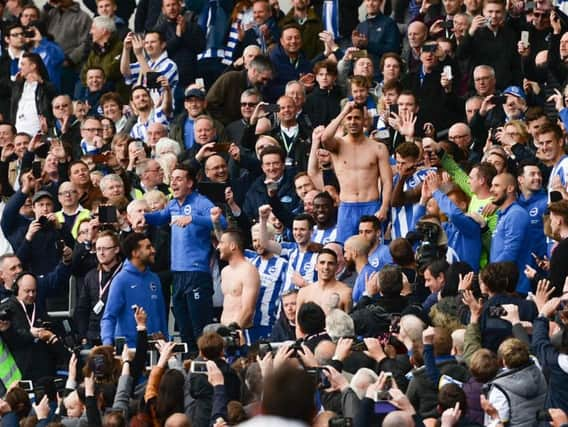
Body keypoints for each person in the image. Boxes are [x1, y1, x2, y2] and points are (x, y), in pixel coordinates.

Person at [144, 164, 227, 351]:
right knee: (184, 329)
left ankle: (206, 365)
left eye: (179, 179)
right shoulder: (173, 204)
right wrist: (143, 216)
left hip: (197, 273)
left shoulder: (201, 202)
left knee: (201, 329)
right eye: (172, 179)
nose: (173, 182)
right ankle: (190, 367)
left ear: (190, 183)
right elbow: (160, 217)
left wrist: (194, 219)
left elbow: (222, 222)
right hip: (178, 274)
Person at [321, 102, 392, 243]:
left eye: (357, 118)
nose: (353, 122)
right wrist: (343, 112)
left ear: (364, 120)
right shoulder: (337, 145)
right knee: (346, 251)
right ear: (344, 121)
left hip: (371, 204)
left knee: (372, 249)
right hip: (347, 206)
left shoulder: (378, 148)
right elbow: (324, 138)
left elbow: (387, 181)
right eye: (349, 118)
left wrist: (384, 207)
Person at [100, 232, 167, 347]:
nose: (153, 250)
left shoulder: (154, 279)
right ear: (135, 253)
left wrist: (166, 340)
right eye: (148, 247)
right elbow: (109, 316)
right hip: (130, 352)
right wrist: (107, 345)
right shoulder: (121, 280)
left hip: (155, 350)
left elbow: (161, 314)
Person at [0, 271, 67, 381]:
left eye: (34, 291)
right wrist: (30, 334)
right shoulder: (6, 311)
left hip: (43, 371)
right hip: (19, 374)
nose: (31, 295)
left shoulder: (38, 308)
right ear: (16, 290)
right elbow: (11, 339)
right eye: (27, 291)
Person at [75, 230, 122, 346]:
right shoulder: (91, 276)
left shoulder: (124, 275)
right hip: (93, 336)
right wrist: (83, 335)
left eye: (106, 249)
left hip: (117, 334)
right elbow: (82, 308)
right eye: (98, 249)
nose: (101, 253)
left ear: (116, 249)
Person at [489, 173, 531, 294]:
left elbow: (510, 252)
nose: (491, 190)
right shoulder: (503, 214)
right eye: (491, 186)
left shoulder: (516, 214)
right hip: (503, 285)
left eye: (496, 186)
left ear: (510, 188)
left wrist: (489, 274)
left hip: (516, 288)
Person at [219, 228, 260, 329]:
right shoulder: (225, 271)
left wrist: (234, 332)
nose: (218, 247)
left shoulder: (248, 271)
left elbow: (248, 309)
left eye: (222, 243)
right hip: (224, 330)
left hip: (241, 332)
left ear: (232, 246)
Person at [295, 248, 352, 318]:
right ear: (316, 266)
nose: (326, 267)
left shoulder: (345, 293)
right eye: (322, 263)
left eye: (330, 263)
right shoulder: (303, 292)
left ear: (337, 267)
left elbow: (349, 325)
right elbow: (298, 326)